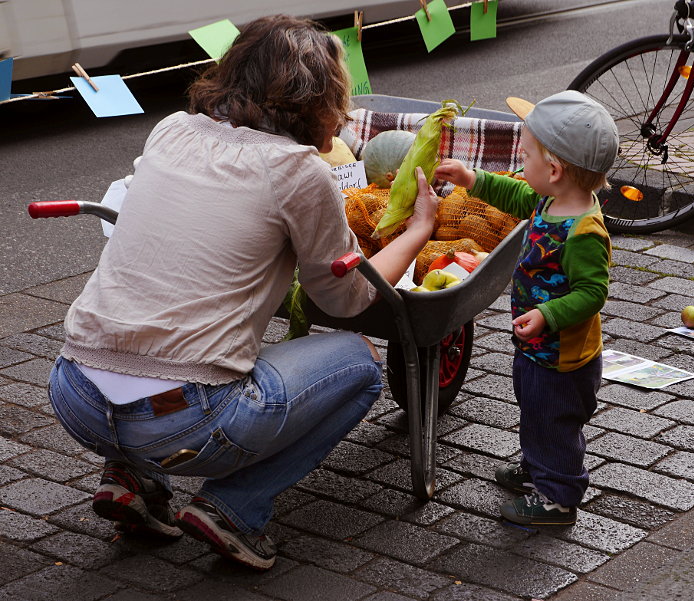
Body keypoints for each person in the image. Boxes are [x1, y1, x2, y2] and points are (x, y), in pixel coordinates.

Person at [47, 14, 437, 569]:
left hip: (75, 393)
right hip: (183, 419)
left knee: (161, 348)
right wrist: (419, 229)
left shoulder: (171, 129)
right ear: (318, 100)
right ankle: (236, 507)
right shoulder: (300, 170)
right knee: (361, 365)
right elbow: (343, 299)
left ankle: (131, 477)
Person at [434, 90, 617, 526]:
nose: (520, 158)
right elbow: (514, 196)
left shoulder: (583, 232)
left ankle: (558, 497)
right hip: (538, 346)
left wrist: (547, 315)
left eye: (527, 154)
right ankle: (539, 467)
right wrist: (471, 178)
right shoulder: (550, 200)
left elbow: (593, 292)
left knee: (554, 419)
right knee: (534, 409)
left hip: (562, 358)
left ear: (554, 170)